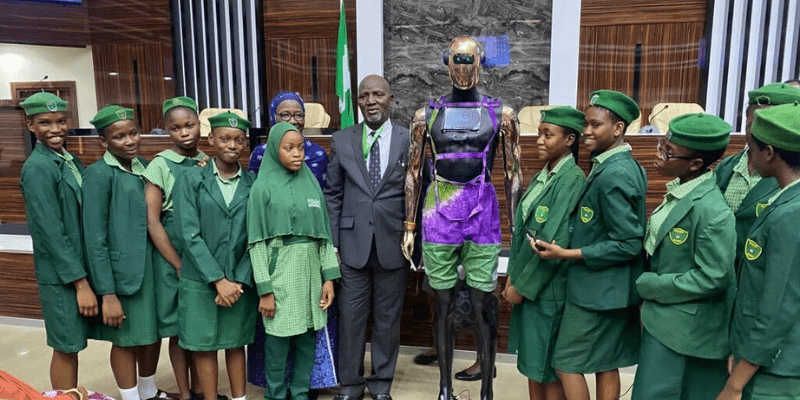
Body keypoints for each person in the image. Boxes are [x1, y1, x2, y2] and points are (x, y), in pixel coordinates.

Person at [402, 36, 522, 400]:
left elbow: (513, 173)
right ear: (447, 63)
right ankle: (444, 388)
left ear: (481, 63)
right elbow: (413, 172)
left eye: (470, 60)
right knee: (442, 304)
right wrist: (409, 226)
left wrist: (515, 228)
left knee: (484, 303)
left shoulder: (502, 114)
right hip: (438, 212)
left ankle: (486, 389)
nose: (464, 68)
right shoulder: (425, 115)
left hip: (482, 211)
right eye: (458, 60)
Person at [534, 90, 646, 400]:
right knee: (605, 363)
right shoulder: (623, 164)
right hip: (613, 289)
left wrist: (566, 253)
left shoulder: (614, 174)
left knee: (565, 363)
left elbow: (628, 243)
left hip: (597, 292)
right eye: (586, 124)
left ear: (618, 128)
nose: (586, 131)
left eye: (596, 125)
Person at [631, 114, 736, 400]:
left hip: (682, 330)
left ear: (695, 164)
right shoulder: (681, 190)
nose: (659, 155)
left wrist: (652, 285)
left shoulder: (712, 211)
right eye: (661, 145)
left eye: (668, 152)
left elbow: (713, 277)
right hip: (663, 319)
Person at [324, 75, 410, 400]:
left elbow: (419, 190)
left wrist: (416, 238)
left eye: (377, 94)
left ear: (391, 99)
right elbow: (333, 194)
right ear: (357, 101)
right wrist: (333, 244)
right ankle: (350, 385)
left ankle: (381, 384)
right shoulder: (342, 139)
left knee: (388, 320)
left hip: (395, 244)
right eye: (364, 96)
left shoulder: (408, 139)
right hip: (351, 247)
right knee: (351, 319)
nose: (370, 101)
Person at [247, 91, 337, 396]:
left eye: (300, 147)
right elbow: (256, 243)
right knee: (277, 343)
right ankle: (275, 395)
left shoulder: (311, 183)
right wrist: (265, 290)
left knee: (307, 342)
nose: (298, 154)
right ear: (275, 150)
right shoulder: (262, 188)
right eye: (289, 148)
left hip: (310, 275)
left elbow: (323, 235)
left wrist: (329, 278)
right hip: (280, 275)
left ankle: (299, 394)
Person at [717, 103, 800, 400]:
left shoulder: (790, 214)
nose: (748, 157)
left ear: (769, 153)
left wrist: (735, 383)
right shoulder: (785, 200)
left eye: (752, 150)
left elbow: (777, 306)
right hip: (761, 357)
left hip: (776, 369)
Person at [503, 106, 586, 400]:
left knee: (547, 370)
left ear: (570, 140)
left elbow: (553, 240)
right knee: (533, 366)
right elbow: (522, 234)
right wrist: (512, 278)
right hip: (528, 285)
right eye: (538, 134)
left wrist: (521, 288)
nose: (539, 140)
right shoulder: (545, 175)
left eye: (547, 135)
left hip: (547, 289)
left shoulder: (572, 179)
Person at [174, 112, 257, 400]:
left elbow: (257, 237)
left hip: (239, 281)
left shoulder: (253, 184)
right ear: (211, 139)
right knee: (204, 346)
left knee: (235, 344)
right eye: (224, 139)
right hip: (200, 280)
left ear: (245, 143)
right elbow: (189, 234)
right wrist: (218, 280)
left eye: (239, 140)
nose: (232, 145)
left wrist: (238, 280)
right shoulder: (190, 179)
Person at [18, 92, 98, 390]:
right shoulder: (37, 168)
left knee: (72, 343)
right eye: (45, 122)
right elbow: (50, 233)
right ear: (30, 125)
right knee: (66, 345)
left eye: (61, 121)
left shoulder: (67, 159)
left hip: (79, 265)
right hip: (62, 275)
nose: (55, 129)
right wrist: (81, 284)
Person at [83, 105, 164, 400]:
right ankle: (131, 397)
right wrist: (107, 293)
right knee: (126, 340)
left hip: (151, 269)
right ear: (103, 141)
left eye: (134, 133)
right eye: (119, 137)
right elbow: (94, 237)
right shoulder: (98, 174)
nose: (130, 141)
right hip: (121, 275)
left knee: (151, 333)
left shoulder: (145, 167)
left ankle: (149, 391)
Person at [143, 96, 207, 400]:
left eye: (189, 125)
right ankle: (184, 393)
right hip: (172, 254)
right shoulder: (160, 164)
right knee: (179, 329)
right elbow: (152, 221)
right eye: (176, 128)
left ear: (199, 125)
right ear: (167, 130)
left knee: (198, 325)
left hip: (200, 251)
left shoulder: (206, 160)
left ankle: (200, 388)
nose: (184, 132)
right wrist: (178, 263)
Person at [715, 83, 800, 272]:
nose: (757, 135)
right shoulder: (727, 167)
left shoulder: (788, 177)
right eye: (751, 126)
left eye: (767, 128)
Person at [248, 91, 329, 186]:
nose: (293, 121)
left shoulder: (317, 154)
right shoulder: (261, 154)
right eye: (285, 115)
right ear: (273, 117)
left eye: (298, 115)